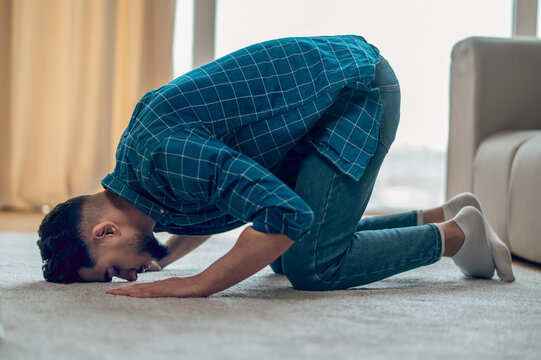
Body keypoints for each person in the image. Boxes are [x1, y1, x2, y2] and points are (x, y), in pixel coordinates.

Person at [37, 35, 514, 298]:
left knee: (312, 267)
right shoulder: (144, 179)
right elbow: (214, 199)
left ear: (104, 233)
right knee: (280, 254)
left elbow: (284, 214)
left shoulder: (165, 156)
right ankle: (434, 216)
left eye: (111, 272)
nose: (126, 277)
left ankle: (458, 236)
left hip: (353, 92)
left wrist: (198, 285)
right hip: (310, 115)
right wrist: (166, 260)